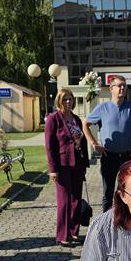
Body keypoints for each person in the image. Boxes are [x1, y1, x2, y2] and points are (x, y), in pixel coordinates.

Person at [82, 75, 131, 212]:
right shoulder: (103, 108)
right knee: (108, 193)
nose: (122, 88)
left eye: (124, 85)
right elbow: (85, 124)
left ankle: (127, 219)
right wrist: (94, 144)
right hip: (109, 156)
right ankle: (106, 220)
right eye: (119, 85)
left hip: (127, 157)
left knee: (128, 191)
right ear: (111, 88)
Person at [45, 88, 89, 247]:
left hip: (77, 163)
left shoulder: (76, 119)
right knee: (64, 201)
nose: (68, 102)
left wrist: (85, 164)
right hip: (62, 165)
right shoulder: (53, 119)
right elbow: (49, 146)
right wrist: (52, 169)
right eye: (65, 99)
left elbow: (82, 141)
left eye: (70, 99)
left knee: (76, 200)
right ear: (59, 101)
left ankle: (73, 232)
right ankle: (62, 236)